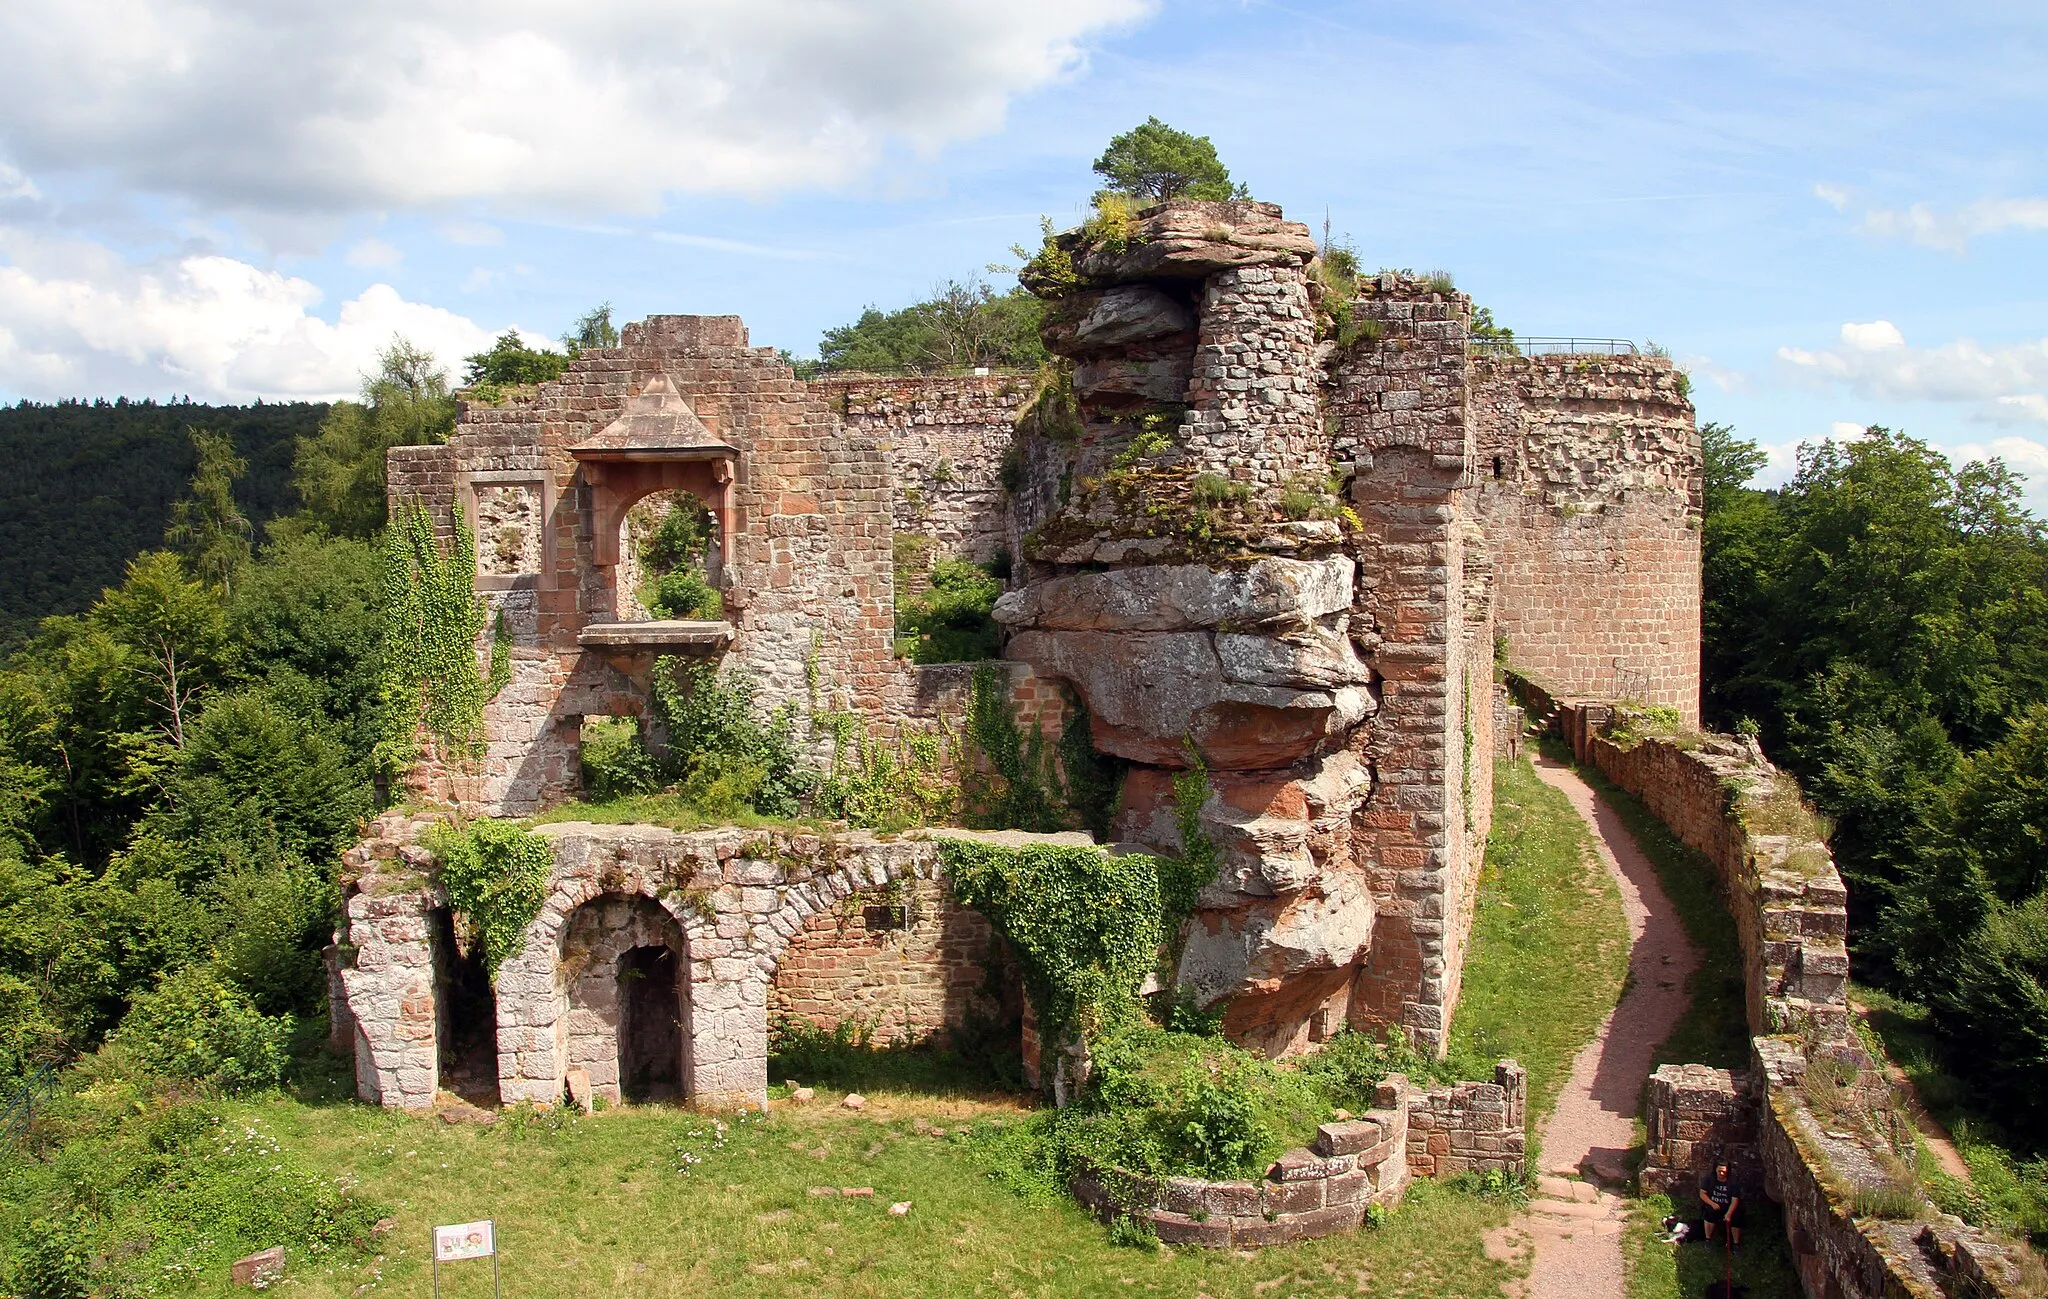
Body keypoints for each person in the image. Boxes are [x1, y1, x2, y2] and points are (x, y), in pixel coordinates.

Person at [1699, 1161, 1743, 1248]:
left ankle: (1736, 1244)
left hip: (1728, 1207)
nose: (1721, 1173)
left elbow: (1735, 1200)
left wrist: (1729, 1214)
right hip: (1714, 1205)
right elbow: (1702, 1194)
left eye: (1724, 1171)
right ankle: (1708, 1240)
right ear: (1715, 1170)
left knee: (1737, 1217)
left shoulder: (1733, 1181)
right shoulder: (1709, 1178)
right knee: (1709, 1213)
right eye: (1719, 1171)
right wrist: (1712, 1204)